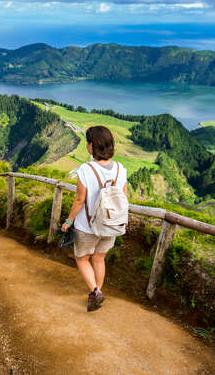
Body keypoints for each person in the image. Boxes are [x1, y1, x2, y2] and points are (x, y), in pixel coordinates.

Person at [61, 125, 127, 312]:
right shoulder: (121, 170)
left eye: (88, 142)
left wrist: (68, 221)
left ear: (91, 146)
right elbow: (123, 198)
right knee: (99, 258)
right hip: (111, 225)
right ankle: (97, 292)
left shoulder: (85, 170)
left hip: (87, 226)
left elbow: (80, 200)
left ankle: (95, 292)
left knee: (82, 258)